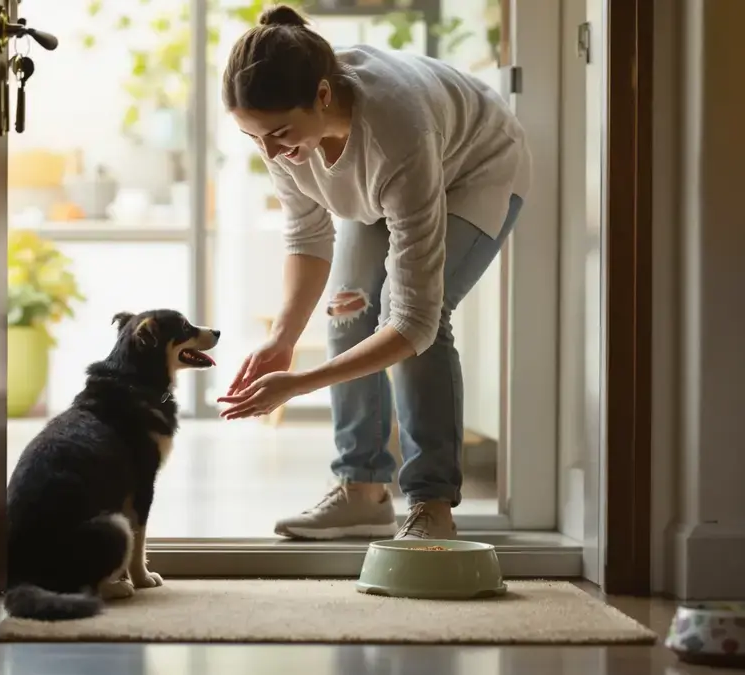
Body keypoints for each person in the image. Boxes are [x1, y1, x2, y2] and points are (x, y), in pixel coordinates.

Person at [215, 4, 531, 541]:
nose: (271, 153)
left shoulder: (396, 128)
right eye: (255, 138)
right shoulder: (282, 132)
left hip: (478, 167)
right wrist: (283, 340)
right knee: (347, 312)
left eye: (279, 134)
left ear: (322, 95)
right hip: (388, 188)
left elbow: (412, 322)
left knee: (417, 324)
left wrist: (299, 385)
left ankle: (432, 503)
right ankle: (361, 490)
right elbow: (308, 236)